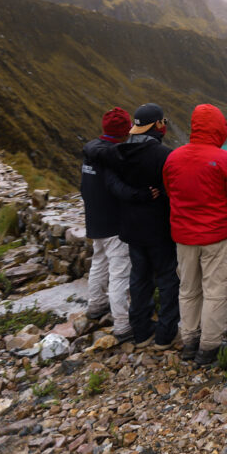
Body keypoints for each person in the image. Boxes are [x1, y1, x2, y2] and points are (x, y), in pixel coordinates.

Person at [163, 103, 227, 366]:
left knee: (188, 289)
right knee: (215, 291)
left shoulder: (173, 157)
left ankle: (189, 341)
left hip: (183, 236)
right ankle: (210, 347)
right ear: (218, 129)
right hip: (215, 236)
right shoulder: (226, 160)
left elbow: (170, 190)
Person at [111, 103, 179, 349]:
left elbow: (114, 186)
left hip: (131, 229)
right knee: (168, 280)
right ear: (158, 125)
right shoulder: (164, 155)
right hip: (160, 229)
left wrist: (135, 195)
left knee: (139, 279)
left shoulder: (118, 154)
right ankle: (165, 334)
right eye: (164, 122)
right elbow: (174, 191)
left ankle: (140, 332)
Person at [80, 107, 138, 342]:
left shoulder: (91, 152)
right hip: (114, 222)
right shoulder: (113, 156)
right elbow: (119, 188)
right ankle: (122, 325)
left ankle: (95, 305)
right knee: (119, 273)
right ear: (125, 130)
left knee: (99, 262)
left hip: (95, 219)